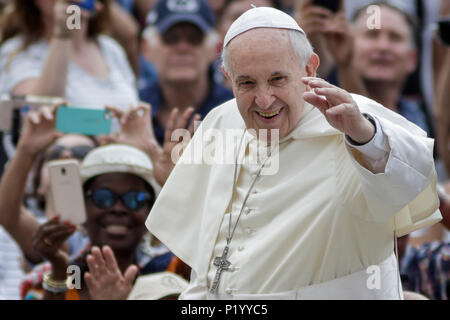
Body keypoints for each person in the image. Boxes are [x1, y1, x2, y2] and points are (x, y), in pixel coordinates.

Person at [146, 6, 441, 299]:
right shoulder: (220, 122)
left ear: (309, 68)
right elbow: (208, 264)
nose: (264, 100)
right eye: (246, 82)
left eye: (277, 79)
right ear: (227, 76)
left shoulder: (351, 118)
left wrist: (364, 136)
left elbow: (410, 177)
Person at [140, 0, 233, 145]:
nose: (182, 48)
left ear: (215, 49)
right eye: (170, 38)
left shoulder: (234, 109)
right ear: (146, 48)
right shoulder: (134, 107)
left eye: (194, 38)